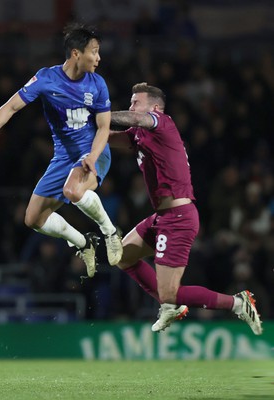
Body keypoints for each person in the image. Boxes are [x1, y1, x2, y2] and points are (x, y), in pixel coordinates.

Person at [109, 82, 263, 335]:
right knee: (123, 256)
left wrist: (100, 116)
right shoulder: (139, 135)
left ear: (155, 107)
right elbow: (106, 137)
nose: (131, 106)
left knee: (170, 292)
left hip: (179, 218)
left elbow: (130, 118)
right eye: (131, 101)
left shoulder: (163, 122)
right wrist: (75, 127)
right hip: (162, 216)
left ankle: (237, 302)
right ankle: (168, 305)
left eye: (136, 101)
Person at [0, 23, 123, 278]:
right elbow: (12, 106)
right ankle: (83, 243)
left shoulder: (98, 84)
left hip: (94, 152)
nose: (99, 58)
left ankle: (110, 232)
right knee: (33, 219)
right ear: (76, 53)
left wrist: (91, 156)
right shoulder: (46, 79)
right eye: (94, 51)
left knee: (73, 190)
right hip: (63, 159)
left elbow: (103, 128)